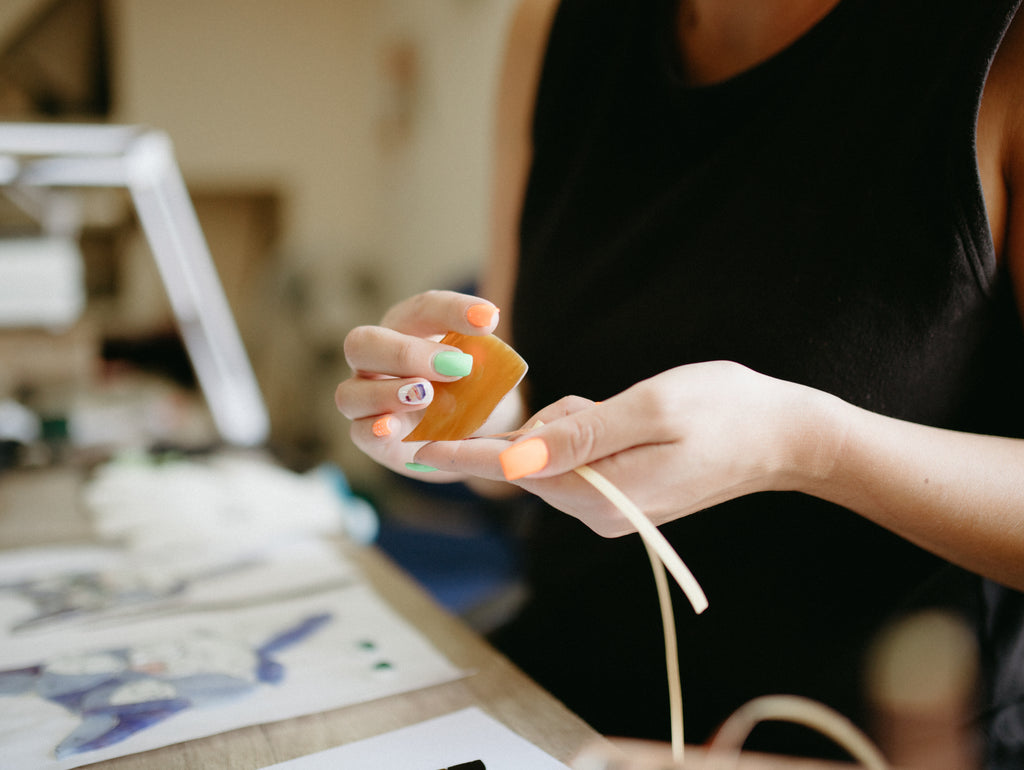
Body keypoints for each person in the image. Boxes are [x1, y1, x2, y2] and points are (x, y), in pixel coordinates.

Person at [336, 0, 1024, 765]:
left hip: (876, 743)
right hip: (554, 717)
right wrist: (461, 404)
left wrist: (808, 445)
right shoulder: (554, 28)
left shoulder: (1000, 46)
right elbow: (524, 392)